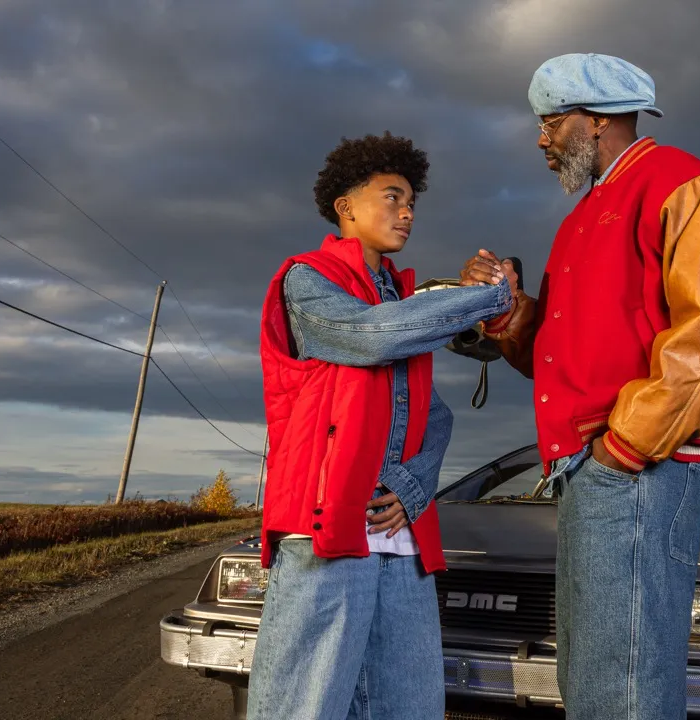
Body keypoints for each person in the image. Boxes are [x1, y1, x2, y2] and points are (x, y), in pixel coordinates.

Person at [460, 53, 700, 719]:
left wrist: (625, 445)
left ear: (596, 121)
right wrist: (509, 314)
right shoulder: (580, 220)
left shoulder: (683, 183)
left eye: (550, 121)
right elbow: (561, 361)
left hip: (636, 464)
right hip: (592, 465)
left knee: (621, 686)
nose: (540, 139)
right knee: (595, 677)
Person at [250, 131, 513, 720]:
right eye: (391, 197)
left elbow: (434, 417)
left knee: (410, 704)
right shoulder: (307, 279)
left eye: (412, 202)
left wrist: (413, 488)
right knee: (306, 705)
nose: (407, 212)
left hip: (398, 535)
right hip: (325, 524)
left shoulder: (402, 298)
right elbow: (371, 336)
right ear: (345, 205)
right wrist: (485, 298)